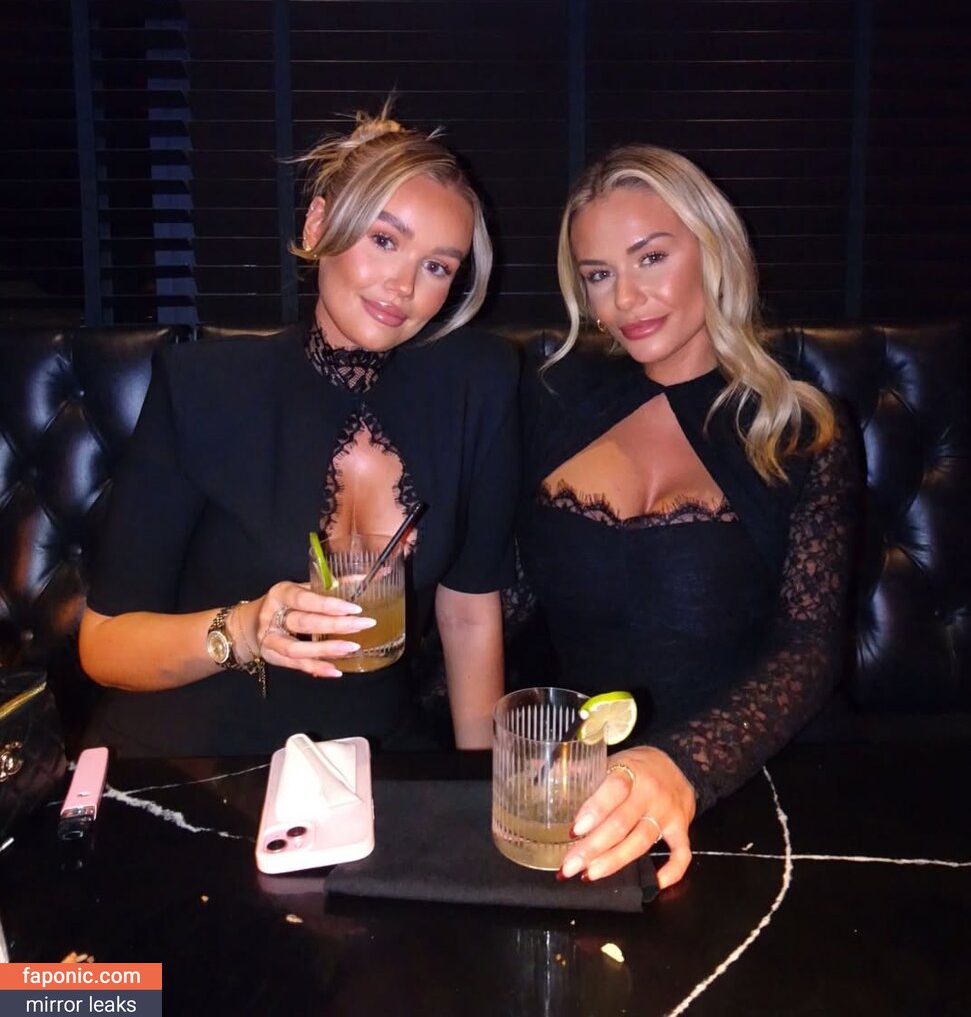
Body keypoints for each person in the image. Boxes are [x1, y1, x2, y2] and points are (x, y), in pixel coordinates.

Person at [79, 105, 519, 756]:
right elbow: (104, 645)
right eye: (384, 240)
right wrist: (246, 629)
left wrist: (483, 787)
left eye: (437, 267)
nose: (402, 285)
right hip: (197, 755)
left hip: (374, 758)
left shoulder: (476, 386)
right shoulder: (204, 387)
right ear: (319, 225)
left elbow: (469, 612)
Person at [513, 145, 858, 890]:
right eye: (599, 274)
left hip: (762, 780)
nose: (626, 299)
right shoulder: (551, 404)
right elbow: (502, 598)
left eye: (651, 257)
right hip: (586, 792)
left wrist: (684, 765)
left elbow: (811, 648)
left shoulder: (799, 429)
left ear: (713, 248)